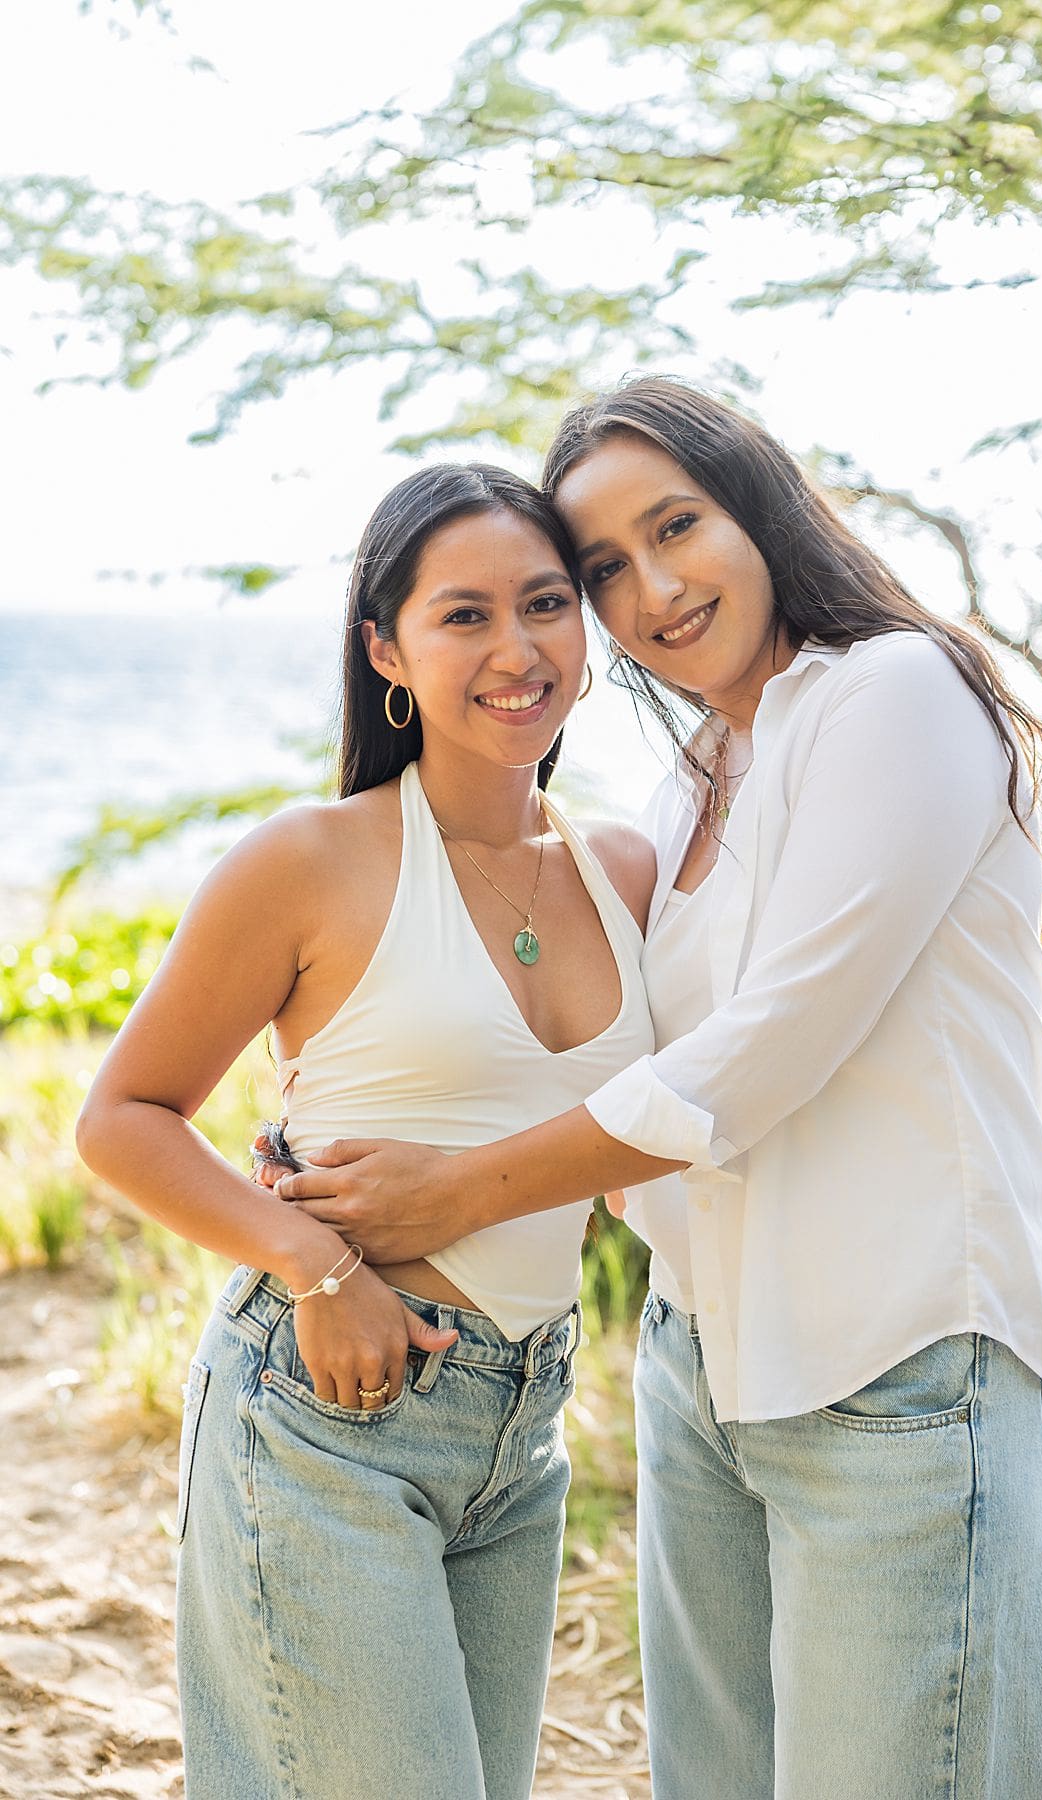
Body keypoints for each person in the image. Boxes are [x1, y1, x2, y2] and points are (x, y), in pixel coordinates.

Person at [262, 378, 1042, 1799]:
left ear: (757, 501)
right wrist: (317, 1174)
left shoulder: (892, 693)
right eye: (605, 570)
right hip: (705, 1370)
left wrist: (445, 1192)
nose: (654, 589)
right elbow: (608, 1056)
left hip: (901, 1368)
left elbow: (767, 1052)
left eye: (676, 524)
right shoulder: (698, 774)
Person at [74, 462, 657, 1800]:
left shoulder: (628, 868)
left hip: (524, 1423)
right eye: (464, 617)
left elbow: (683, 1115)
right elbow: (122, 1118)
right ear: (387, 650)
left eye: (548, 603)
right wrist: (316, 1267)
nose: (518, 651)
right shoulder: (312, 859)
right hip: (325, 1409)